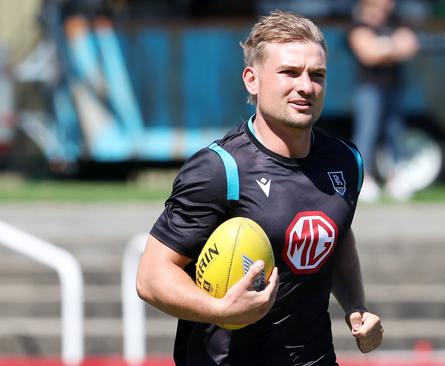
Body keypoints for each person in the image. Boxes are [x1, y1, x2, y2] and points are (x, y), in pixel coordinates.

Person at [136, 10, 383, 366]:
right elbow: (151, 276)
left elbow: (338, 233)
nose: (306, 86)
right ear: (252, 80)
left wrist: (357, 307)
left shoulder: (345, 160)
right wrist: (219, 309)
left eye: (317, 75)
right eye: (289, 72)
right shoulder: (220, 169)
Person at [347, 0, 419, 202]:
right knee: (367, 133)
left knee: (395, 132)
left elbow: (411, 45)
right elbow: (368, 55)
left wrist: (382, 48)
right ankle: (364, 179)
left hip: (393, 86)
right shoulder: (358, 25)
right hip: (368, 88)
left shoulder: (396, 22)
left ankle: (395, 178)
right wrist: (394, 47)